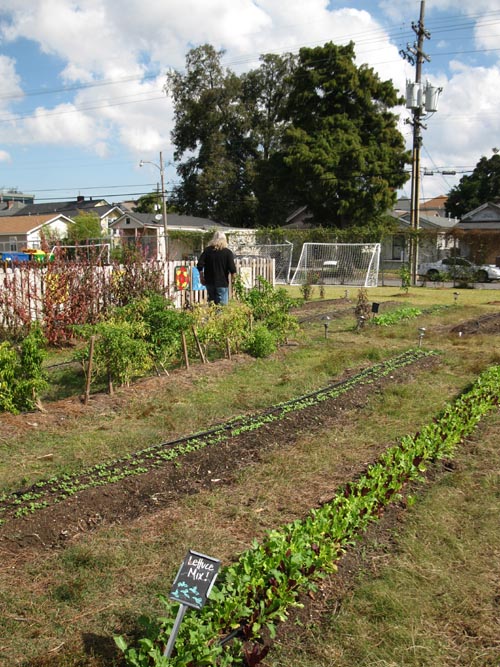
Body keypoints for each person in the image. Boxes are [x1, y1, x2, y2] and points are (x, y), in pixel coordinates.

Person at [196, 231, 237, 305]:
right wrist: (234, 281)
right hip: (222, 283)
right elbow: (232, 269)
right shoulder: (227, 252)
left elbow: (200, 264)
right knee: (221, 307)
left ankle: (213, 316)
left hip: (209, 282)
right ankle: (219, 317)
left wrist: (201, 277)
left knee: (212, 304)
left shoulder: (207, 251)